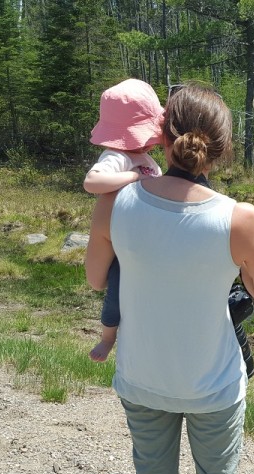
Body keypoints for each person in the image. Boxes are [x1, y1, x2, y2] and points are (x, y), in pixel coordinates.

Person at [84, 83, 254, 474]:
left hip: (142, 379)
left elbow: (96, 279)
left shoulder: (114, 200)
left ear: (162, 134)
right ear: (223, 147)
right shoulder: (240, 217)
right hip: (213, 386)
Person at [84, 78, 164, 362]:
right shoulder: (115, 156)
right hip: (123, 243)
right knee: (116, 291)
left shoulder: (143, 157)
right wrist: (134, 176)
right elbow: (92, 182)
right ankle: (108, 337)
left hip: (148, 238)